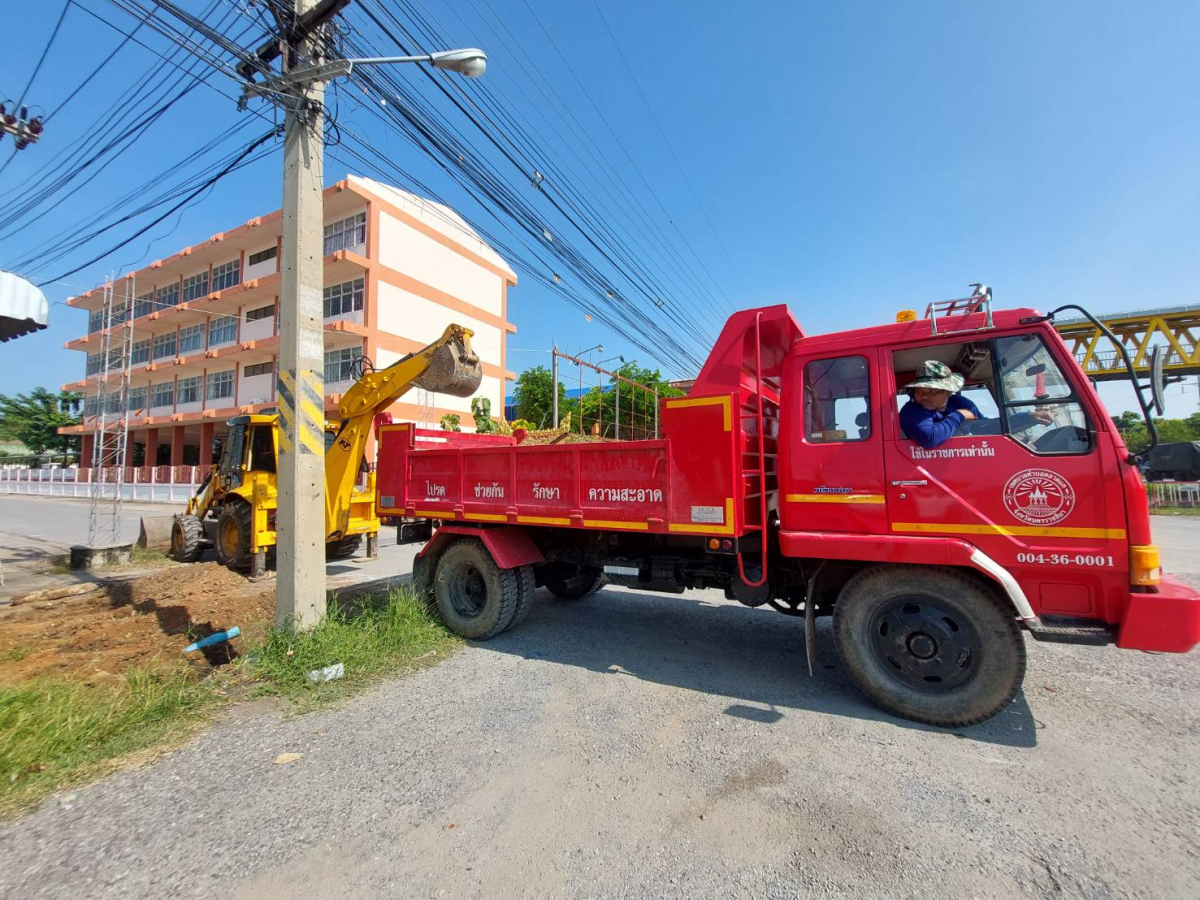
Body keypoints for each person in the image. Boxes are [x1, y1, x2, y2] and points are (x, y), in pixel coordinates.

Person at [899, 360, 1052, 449]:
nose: (924, 396)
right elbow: (930, 438)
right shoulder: (913, 410)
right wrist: (959, 415)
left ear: (949, 392)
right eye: (919, 391)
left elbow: (985, 427)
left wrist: (1029, 417)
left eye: (932, 391)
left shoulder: (961, 402)